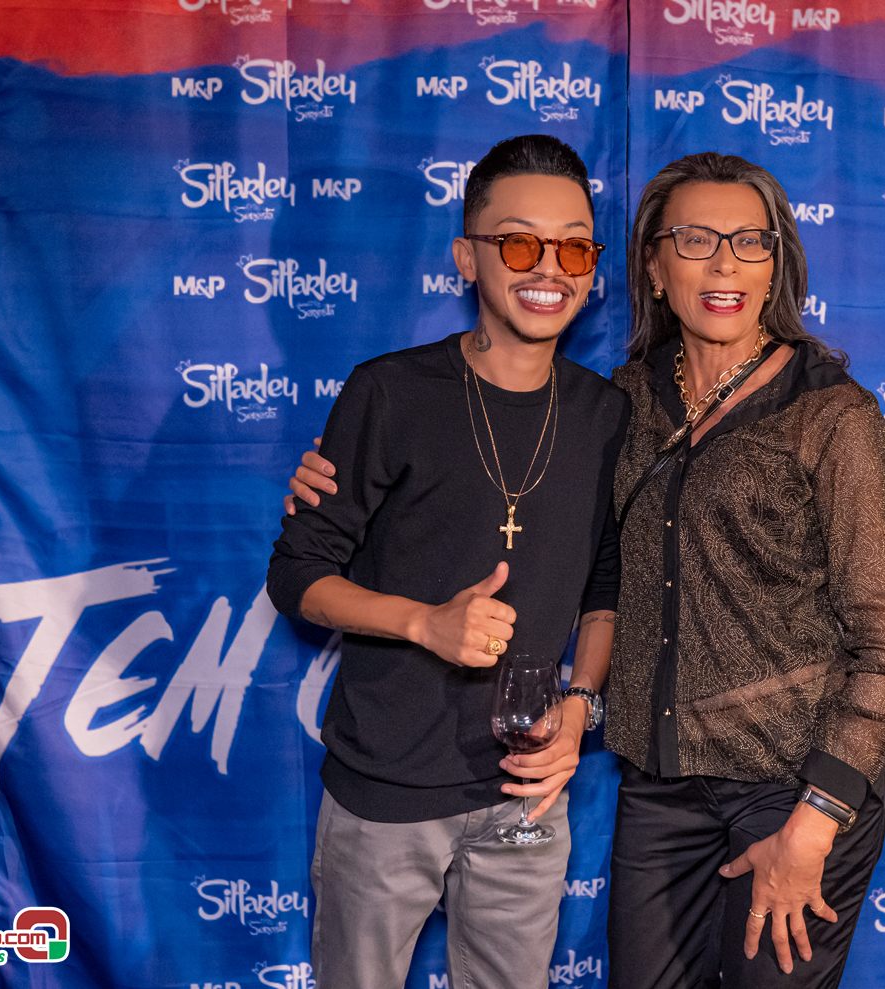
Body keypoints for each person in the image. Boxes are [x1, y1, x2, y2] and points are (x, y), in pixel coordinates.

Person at [290, 151, 885, 988]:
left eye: (750, 241)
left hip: (790, 786)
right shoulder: (627, 402)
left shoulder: (824, 414)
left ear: (776, 264)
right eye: (695, 240)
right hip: (657, 790)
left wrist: (817, 816)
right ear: (653, 267)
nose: (724, 263)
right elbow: (602, 569)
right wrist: (342, 481)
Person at [266, 134, 625, 989]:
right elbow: (297, 574)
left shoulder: (606, 414)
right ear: (468, 257)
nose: (550, 267)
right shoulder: (389, 392)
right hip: (384, 790)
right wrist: (424, 622)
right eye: (519, 243)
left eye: (574, 247)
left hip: (528, 792)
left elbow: (607, 587)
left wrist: (580, 706)